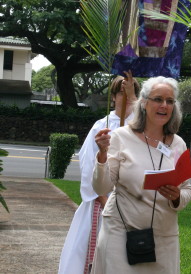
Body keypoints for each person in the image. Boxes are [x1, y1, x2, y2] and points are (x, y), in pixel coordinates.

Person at [90, 76, 191, 273]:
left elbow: (186, 190)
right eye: (158, 99)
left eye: (170, 101)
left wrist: (177, 197)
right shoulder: (120, 137)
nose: (164, 105)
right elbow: (102, 188)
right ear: (144, 103)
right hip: (121, 233)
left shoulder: (178, 144)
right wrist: (102, 155)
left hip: (164, 239)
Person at [58, 71, 140, 274]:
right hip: (103, 202)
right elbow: (88, 164)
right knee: (95, 256)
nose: (126, 97)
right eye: (120, 93)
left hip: (132, 204)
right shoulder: (102, 125)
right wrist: (103, 199)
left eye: (130, 92)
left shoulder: (141, 127)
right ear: (113, 97)